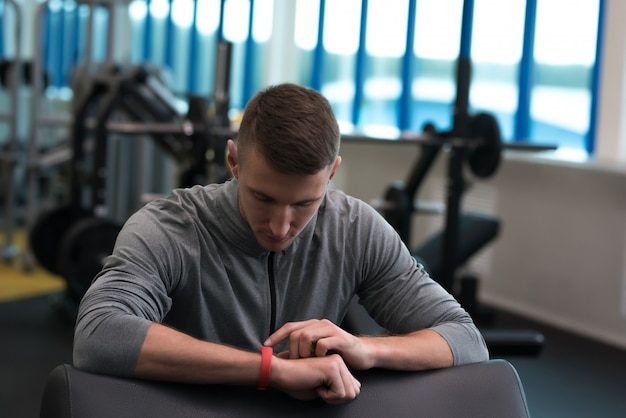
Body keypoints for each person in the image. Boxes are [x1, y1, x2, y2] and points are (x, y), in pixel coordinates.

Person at [73, 83, 488, 404]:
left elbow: (465, 339)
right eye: (263, 197)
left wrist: (366, 349)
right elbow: (99, 335)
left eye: (304, 203)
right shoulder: (171, 227)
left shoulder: (355, 228)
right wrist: (270, 370)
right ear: (233, 161)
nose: (280, 225)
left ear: (332, 174)